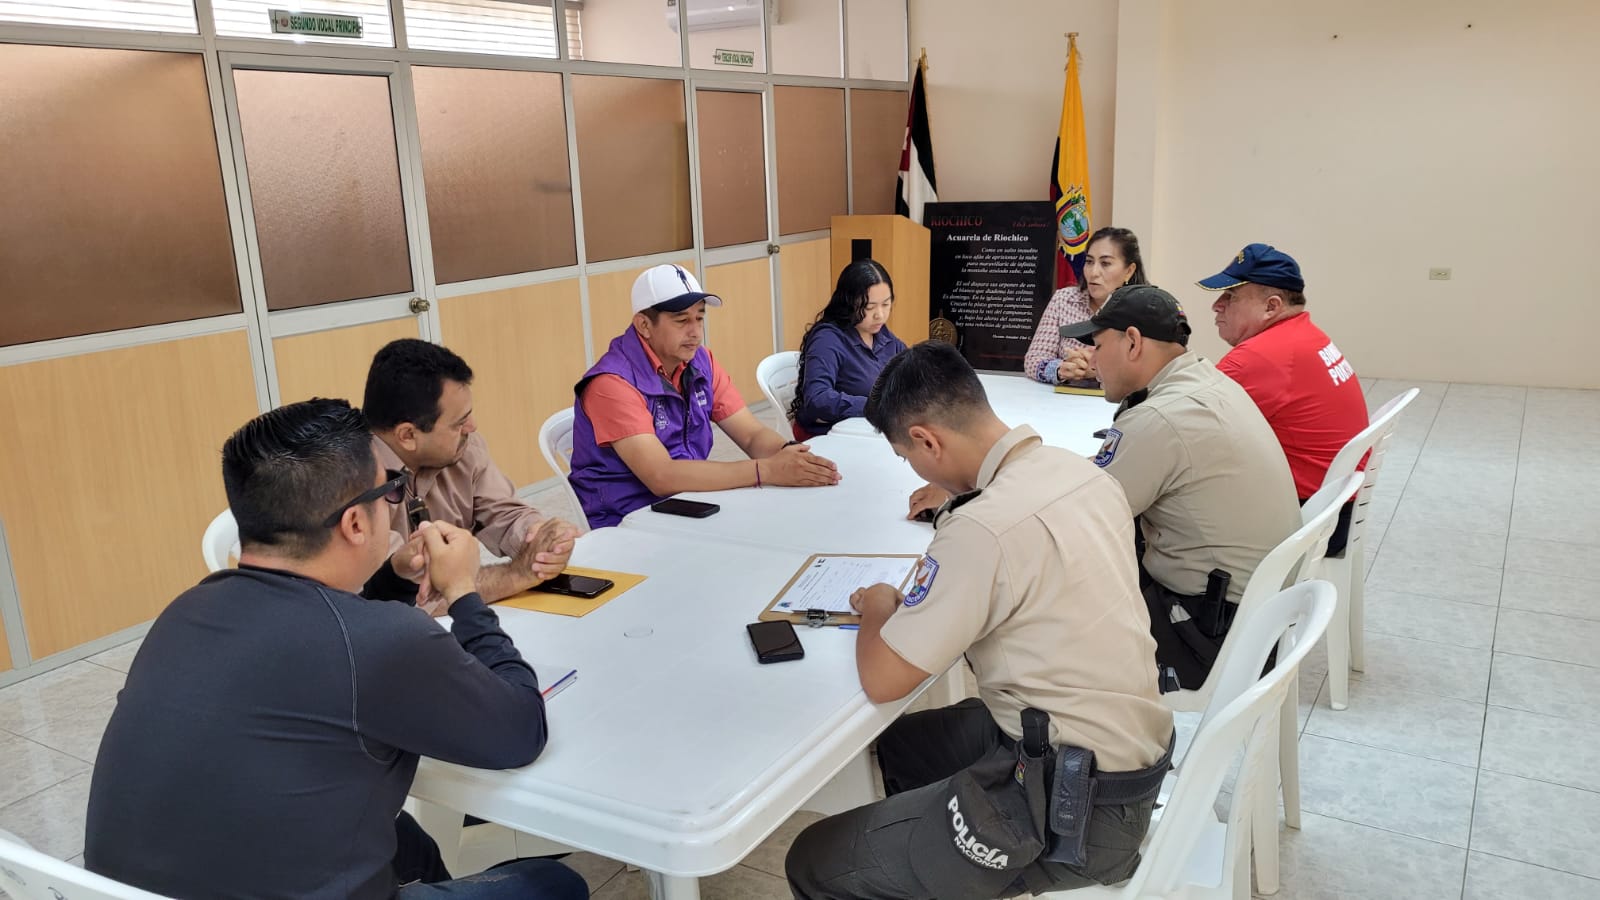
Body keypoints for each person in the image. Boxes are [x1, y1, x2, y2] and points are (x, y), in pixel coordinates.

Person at [84, 399, 587, 900]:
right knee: (553, 883)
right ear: (355, 524)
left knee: (407, 842)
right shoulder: (385, 642)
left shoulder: (186, 610)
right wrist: (463, 592)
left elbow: (333, 643)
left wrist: (393, 579)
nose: (394, 505)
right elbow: (521, 731)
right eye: (391, 491)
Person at [785, 342, 1173, 900]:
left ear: (927, 440)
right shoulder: (1077, 471)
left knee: (814, 860)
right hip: (1121, 754)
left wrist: (879, 604)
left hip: (1076, 810)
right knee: (900, 747)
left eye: (907, 456)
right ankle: (930, 864)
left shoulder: (982, 528)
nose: (914, 468)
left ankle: (941, 862)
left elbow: (885, 678)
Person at [1059, 285, 1300, 690]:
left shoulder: (1160, 418)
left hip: (1210, 637)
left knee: (1037, 615)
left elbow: (1079, 517)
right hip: (1261, 617)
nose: (1092, 360)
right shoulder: (1207, 381)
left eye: (1097, 346)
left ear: (1132, 342)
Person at [570, 264, 840, 528]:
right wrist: (766, 470)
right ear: (644, 325)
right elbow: (661, 476)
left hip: (688, 500)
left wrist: (792, 455)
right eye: (681, 321)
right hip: (625, 521)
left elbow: (751, 434)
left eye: (699, 318)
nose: (696, 332)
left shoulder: (700, 360)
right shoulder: (611, 384)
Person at [362, 339, 580, 606]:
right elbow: (405, 596)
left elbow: (505, 514)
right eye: (459, 423)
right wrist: (517, 574)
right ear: (407, 435)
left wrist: (540, 539)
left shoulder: (462, 448)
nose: (472, 427)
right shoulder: (355, 481)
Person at [1200, 243, 1368, 554]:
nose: (1216, 305)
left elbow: (1183, 427)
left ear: (1271, 306)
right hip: (1335, 505)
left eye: (1231, 296)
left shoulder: (1259, 357)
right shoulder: (1305, 335)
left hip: (1307, 520)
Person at [789, 258, 908, 437]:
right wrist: (874, 406)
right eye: (869, 307)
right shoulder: (828, 339)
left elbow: (911, 371)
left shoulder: (882, 335)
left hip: (870, 430)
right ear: (849, 303)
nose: (880, 315)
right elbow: (817, 399)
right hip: (830, 436)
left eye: (886, 304)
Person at [1022, 227, 1148, 386]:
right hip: (1063, 399)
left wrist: (1101, 368)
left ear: (1129, 271)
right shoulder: (1064, 299)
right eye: (1089, 262)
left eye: (1105, 263)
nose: (1093, 272)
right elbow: (1033, 360)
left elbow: (1150, 372)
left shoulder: (1144, 309)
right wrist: (1061, 369)